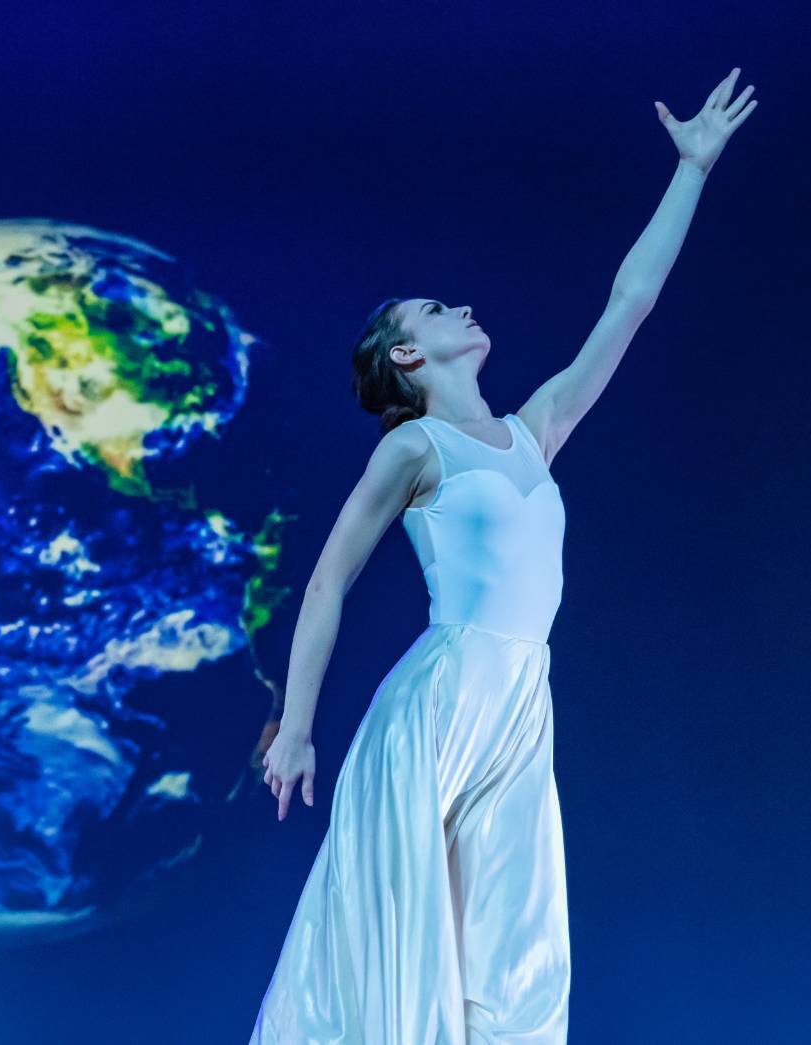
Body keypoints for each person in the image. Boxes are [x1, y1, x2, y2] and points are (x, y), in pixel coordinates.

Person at [249, 69, 757, 1044]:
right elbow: (326, 579)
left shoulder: (536, 428)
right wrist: (298, 727)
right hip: (437, 706)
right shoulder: (413, 448)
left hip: (522, 701)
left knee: (513, 952)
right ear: (407, 356)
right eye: (436, 310)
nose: (462, 308)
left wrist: (690, 170)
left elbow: (630, 302)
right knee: (409, 941)